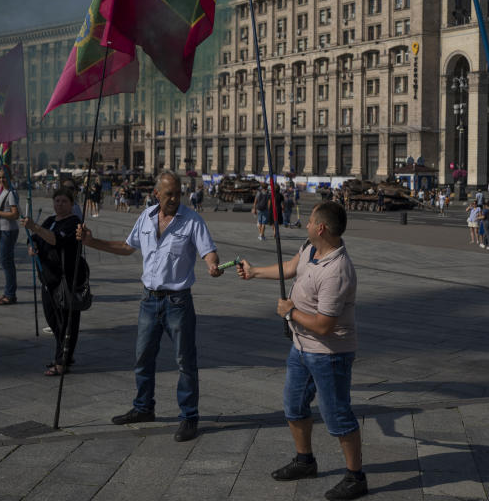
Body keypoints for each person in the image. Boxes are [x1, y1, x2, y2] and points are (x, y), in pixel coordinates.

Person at [77, 171, 222, 442]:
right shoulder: (145, 217)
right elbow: (126, 246)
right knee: (142, 357)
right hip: (149, 300)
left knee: (185, 362)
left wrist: (213, 264)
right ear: (156, 194)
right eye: (169, 194)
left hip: (178, 302)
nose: (174, 199)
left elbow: (208, 251)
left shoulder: (192, 220)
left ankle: (189, 417)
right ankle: (144, 407)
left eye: (177, 194)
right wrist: (91, 241)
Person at [236, 201, 367, 501]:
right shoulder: (311, 247)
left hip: (329, 354)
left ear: (321, 227)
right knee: (293, 405)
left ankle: (355, 477)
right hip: (301, 348)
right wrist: (255, 272)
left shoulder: (337, 270)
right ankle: (304, 460)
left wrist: (290, 312)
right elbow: (291, 267)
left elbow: (324, 326)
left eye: (309, 221)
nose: (305, 225)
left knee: (337, 416)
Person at [22, 188, 82, 375]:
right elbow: (34, 240)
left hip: (66, 278)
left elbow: (56, 240)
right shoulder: (49, 221)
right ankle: (65, 353)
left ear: (71, 204)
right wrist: (31, 247)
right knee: (52, 319)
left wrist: (36, 227)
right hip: (47, 278)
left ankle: (61, 361)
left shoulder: (74, 222)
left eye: (64, 201)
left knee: (66, 322)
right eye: (57, 201)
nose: (59, 204)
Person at [0, 171, 21, 305]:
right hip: (3, 230)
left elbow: (15, 215)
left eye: (4, 177)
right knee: (6, 262)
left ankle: (10, 294)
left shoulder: (12, 192)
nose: (2, 180)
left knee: (6, 263)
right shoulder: (4, 191)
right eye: (0, 177)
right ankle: (8, 292)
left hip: (9, 230)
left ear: (10, 177)